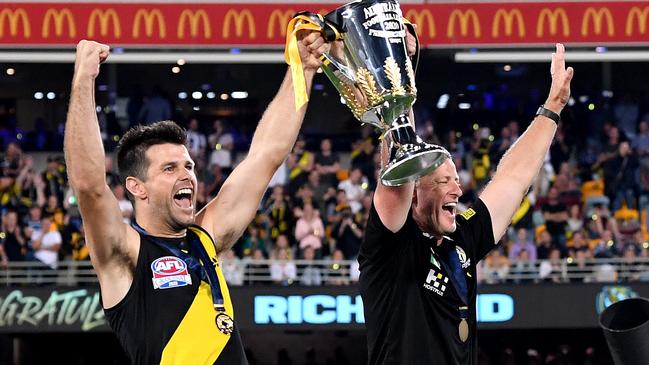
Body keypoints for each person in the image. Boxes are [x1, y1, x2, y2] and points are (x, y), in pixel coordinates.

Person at [64, 34, 327, 365]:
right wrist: (84, 77)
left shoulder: (206, 236)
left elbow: (267, 154)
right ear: (137, 187)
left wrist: (301, 70)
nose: (187, 174)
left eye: (188, 165)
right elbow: (89, 186)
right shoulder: (125, 252)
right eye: (170, 168)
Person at [359, 44, 573, 364]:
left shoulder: (462, 238)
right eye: (444, 181)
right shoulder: (392, 246)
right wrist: (396, 69)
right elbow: (396, 176)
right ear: (415, 192)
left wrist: (553, 106)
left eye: (457, 179)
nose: (457, 190)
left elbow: (512, 180)